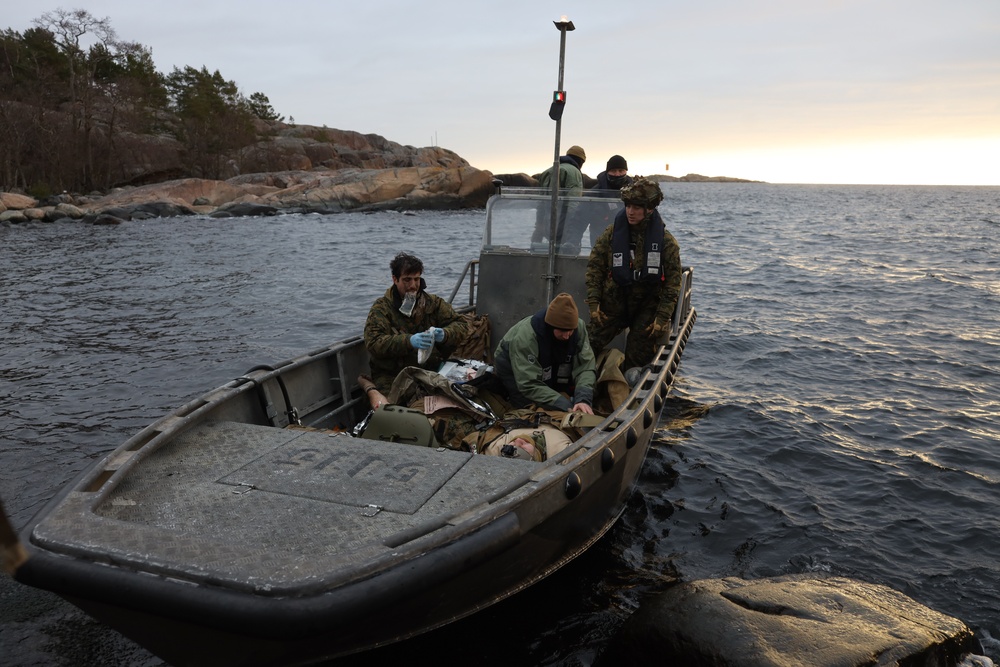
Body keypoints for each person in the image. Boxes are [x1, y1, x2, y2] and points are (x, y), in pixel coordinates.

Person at [585, 177, 682, 371]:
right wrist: (594, 302)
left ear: (650, 209)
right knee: (586, 347)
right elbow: (595, 265)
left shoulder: (666, 242)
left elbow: (672, 283)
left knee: (638, 357)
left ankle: (630, 391)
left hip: (646, 306)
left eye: (637, 207)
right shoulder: (612, 233)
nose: (630, 212)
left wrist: (662, 317)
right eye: (628, 206)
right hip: (613, 303)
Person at [363, 252, 468, 405]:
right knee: (398, 410)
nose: (413, 285)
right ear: (395, 279)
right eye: (407, 280)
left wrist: (445, 334)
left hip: (429, 370)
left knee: (459, 399)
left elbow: (462, 325)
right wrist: (409, 341)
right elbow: (373, 343)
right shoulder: (382, 308)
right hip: (392, 375)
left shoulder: (433, 303)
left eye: (416, 279)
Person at [493, 292, 596, 414]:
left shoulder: (578, 328)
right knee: (527, 406)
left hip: (550, 361)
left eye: (570, 331)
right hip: (512, 366)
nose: (567, 336)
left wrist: (583, 399)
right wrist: (564, 405)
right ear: (551, 326)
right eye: (562, 331)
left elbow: (585, 366)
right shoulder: (525, 338)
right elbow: (528, 384)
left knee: (563, 394)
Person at [561, 154, 636, 250]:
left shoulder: (635, 192)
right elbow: (578, 221)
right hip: (601, 247)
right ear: (607, 171)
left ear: (626, 171)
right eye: (613, 171)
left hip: (629, 245)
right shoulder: (594, 195)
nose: (617, 174)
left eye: (621, 171)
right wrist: (572, 242)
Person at [532, 145, 586, 243]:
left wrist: (539, 225)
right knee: (568, 253)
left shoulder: (547, 171)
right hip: (563, 224)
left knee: (542, 251)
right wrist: (571, 228)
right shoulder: (575, 172)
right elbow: (573, 202)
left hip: (547, 221)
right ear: (581, 161)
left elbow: (540, 202)